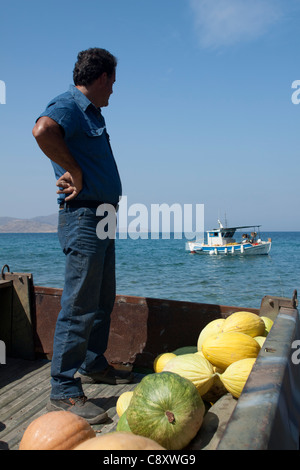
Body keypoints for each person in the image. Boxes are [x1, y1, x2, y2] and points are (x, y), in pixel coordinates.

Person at [32, 48, 133, 424]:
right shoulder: (69, 104)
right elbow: (42, 130)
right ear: (103, 77)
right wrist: (72, 168)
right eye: (113, 84)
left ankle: (94, 363)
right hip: (84, 216)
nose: (113, 92)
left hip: (103, 215)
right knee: (79, 303)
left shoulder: (93, 114)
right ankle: (63, 389)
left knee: (102, 297)